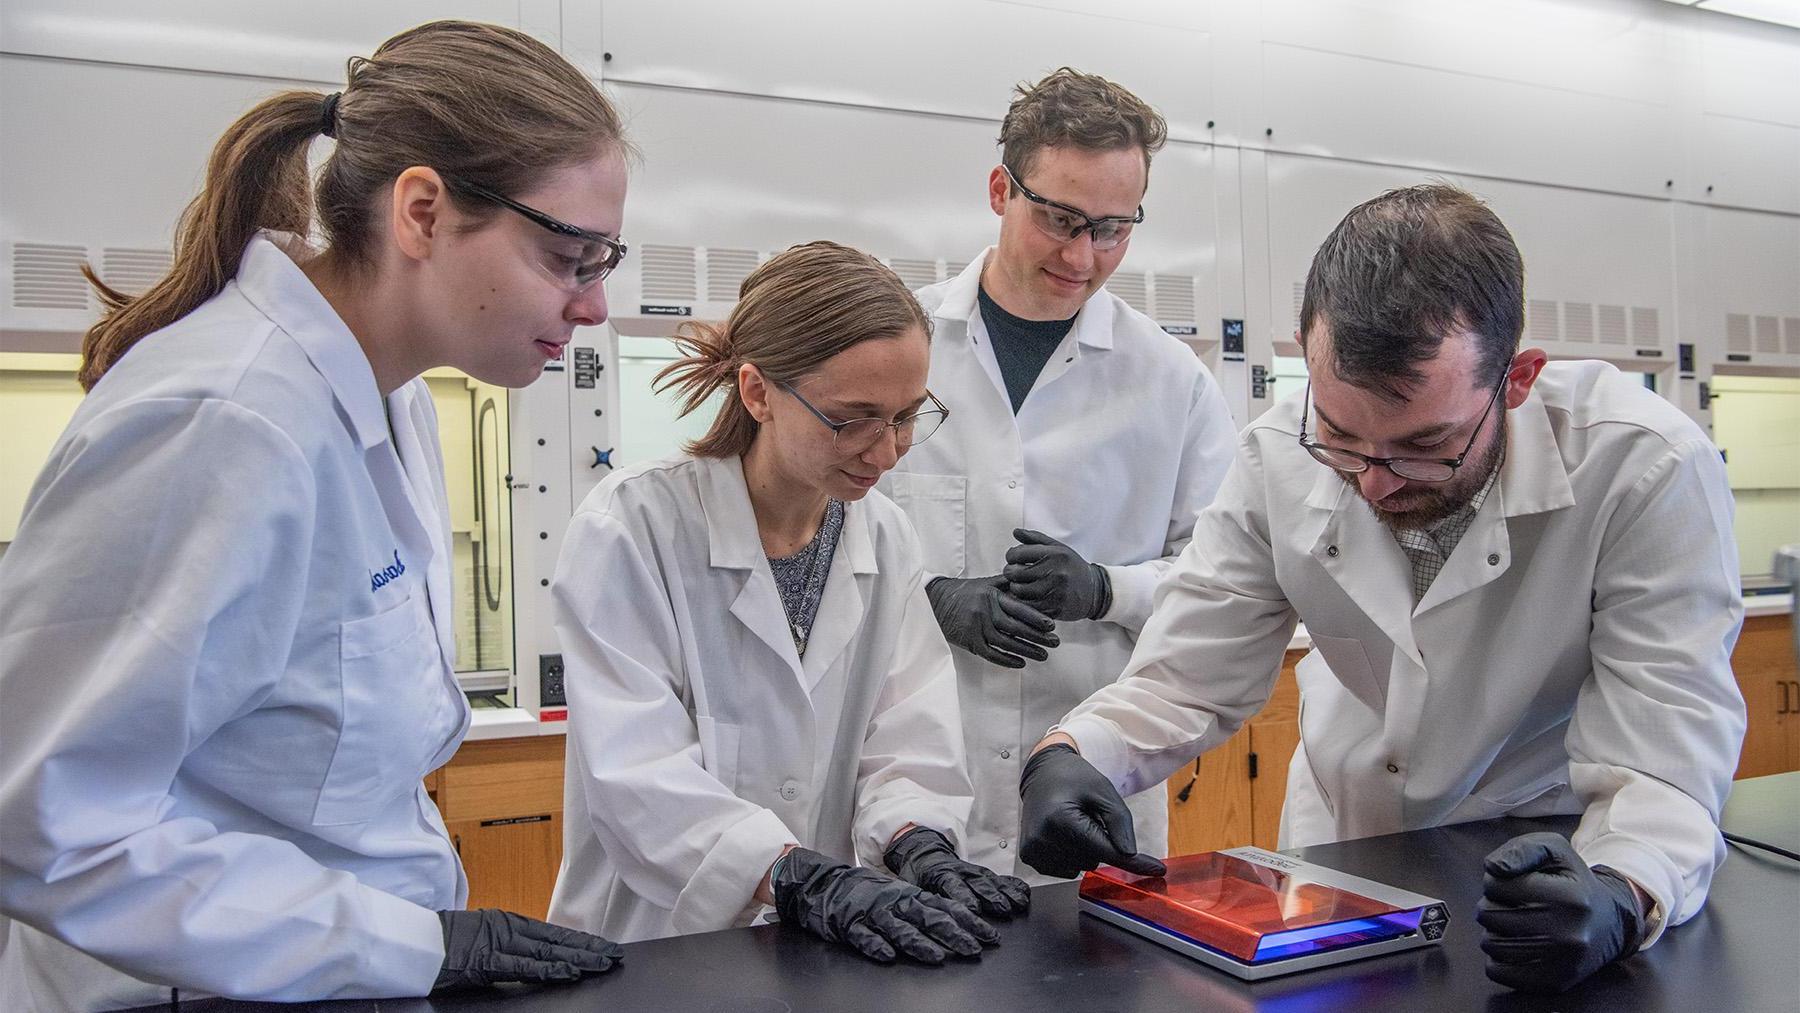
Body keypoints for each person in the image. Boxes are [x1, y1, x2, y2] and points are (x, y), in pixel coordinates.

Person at [0, 21, 630, 1009]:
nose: (593, 307)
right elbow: (47, 820)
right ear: (422, 211)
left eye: (604, 260)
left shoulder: (396, 398)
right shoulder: (224, 421)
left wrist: (415, 942)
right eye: (566, 255)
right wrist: (406, 942)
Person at [1015, 183, 1748, 992]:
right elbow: (1190, 668)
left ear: (1518, 378)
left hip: (1545, 866)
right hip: (1344, 853)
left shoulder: (1642, 466)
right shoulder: (1276, 455)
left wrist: (1624, 888)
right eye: (1339, 436)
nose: (1373, 484)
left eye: (1424, 446)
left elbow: (1664, 743)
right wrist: (1077, 752)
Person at [547, 241, 1029, 965]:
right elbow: (637, 779)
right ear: (757, 392)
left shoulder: (885, 539)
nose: (887, 449)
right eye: (853, 418)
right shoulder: (634, 527)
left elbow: (907, 741)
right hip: (654, 956)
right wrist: (796, 875)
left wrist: (917, 840)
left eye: (905, 415)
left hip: (814, 959)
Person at [880, 67, 1237, 879]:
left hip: (1087, 801)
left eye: (1113, 228)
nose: (1084, 255)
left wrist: (1106, 589)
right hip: (915, 799)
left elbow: (1224, 584)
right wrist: (927, 598)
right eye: (1062, 218)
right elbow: (818, 538)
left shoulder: (1171, 381)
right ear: (1002, 189)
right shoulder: (899, 342)